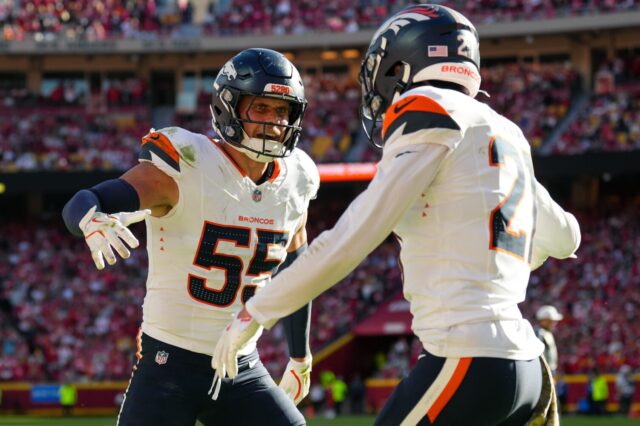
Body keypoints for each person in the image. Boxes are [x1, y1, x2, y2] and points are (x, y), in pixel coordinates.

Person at [212, 4, 581, 425]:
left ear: (405, 62)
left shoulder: (429, 106)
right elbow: (567, 236)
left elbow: (359, 230)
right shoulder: (504, 130)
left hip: (469, 356)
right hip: (529, 368)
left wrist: (258, 309)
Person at [62, 48, 319, 426]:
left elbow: (299, 271)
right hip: (169, 366)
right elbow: (86, 200)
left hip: (240, 366)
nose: (274, 122)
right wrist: (89, 219)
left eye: (282, 111)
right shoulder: (187, 163)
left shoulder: (297, 178)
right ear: (230, 107)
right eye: (261, 108)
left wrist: (300, 355)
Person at [535, 305, 564, 376]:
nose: (554, 323)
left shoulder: (547, 333)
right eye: (552, 321)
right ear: (544, 320)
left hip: (549, 370)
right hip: (543, 372)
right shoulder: (539, 333)